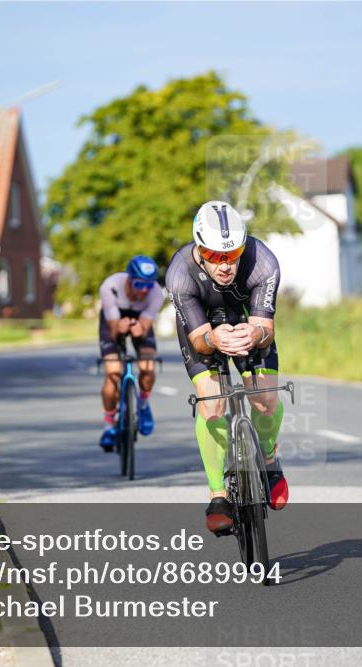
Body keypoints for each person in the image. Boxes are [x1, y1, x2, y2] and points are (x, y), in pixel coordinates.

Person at [165, 201, 288, 536]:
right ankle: (218, 494)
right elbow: (199, 340)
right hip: (204, 330)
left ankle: (268, 458)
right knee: (213, 404)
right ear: (199, 250)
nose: (225, 265)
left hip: (246, 322)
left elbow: (266, 328)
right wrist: (215, 339)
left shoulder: (262, 262)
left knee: (265, 399)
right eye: (215, 255)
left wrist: (257, 333)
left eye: (232, 253)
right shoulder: (179, 273)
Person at [97, 255, 163, 452]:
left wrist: (140, 329)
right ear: (128, 279)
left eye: (148, 285)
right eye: (138, 284)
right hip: (113, 319)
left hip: (139, 320)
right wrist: (120, 327)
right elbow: (113, 327)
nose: (144, 290)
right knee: (113, 371)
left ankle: (142, 405)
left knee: (148, 366)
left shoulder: (156, 293)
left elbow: (145, 323)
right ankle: (109, 424)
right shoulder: (110, 286)